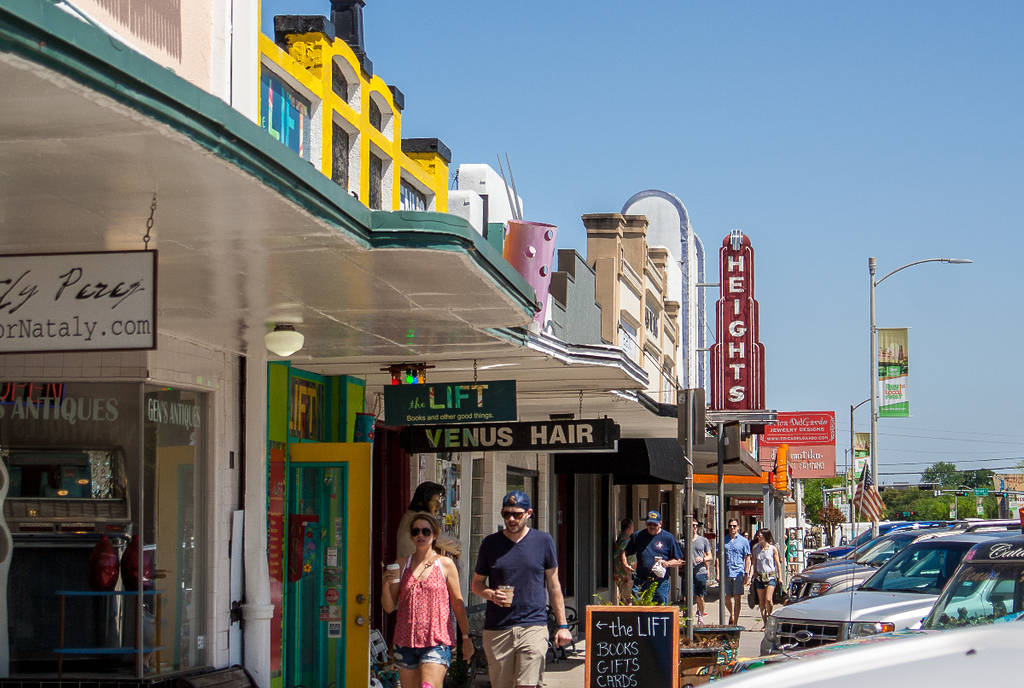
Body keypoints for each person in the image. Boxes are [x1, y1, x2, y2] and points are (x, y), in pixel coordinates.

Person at [471, 491, 572, 688]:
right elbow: (476, 584)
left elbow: (553, 585)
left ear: (529, 513)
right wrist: (490, 594)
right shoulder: (490, 544)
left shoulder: (543, 541)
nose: (511, 519)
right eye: (506, 514)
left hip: (532, 624)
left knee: (527, 684)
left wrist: (563, 626)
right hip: (498, 628)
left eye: (516, 514)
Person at [381, 512, 474, 688]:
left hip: (436, 640)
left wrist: (465, 637)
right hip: (405, 640)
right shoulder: (401, 564)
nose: (420, 536)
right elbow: (388, 607)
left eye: (426, 531)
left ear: (435, 535)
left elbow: (457, 603)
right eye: (416, 532)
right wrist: (385, 584)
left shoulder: (445, 564)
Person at [623, 510, 683, 604]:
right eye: (649, 524)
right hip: (641, 581)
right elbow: (625, 551)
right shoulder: (638, 536)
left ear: (660, 524)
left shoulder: (668, 538)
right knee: (640, 610)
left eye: (654, 524)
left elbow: (679, 561)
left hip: (660, 582)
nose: (652, 527)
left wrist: (667, 563)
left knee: (660, 609)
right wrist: (625, 564)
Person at [397, 481, 461, 560]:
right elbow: (446, 541)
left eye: (439, 501)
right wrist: (461, 549)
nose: (438, 506)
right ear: (422, 502)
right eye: (434, 501)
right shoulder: (422, 519)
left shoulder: (410, 514)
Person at [752, 528, 784, 627]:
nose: (758, 537)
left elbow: (778, 563)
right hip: (759, 576)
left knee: (768, 599)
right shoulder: (755, 548)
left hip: (770, 576)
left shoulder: (772, 548)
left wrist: (780, 577)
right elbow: (754, 562)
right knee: (761, 601)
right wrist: (751, 576)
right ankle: (765, 623)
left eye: (760, 535)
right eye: (758, 535)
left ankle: (770, 617)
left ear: (765, 536)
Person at [722, 519, 751, 626]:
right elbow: (718, 557)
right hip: (726, 572)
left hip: (738, 571)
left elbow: (747, 557)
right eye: (730, 526)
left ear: (738, 527)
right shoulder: (724, 540)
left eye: (734, 526)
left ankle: (735, 623)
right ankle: (732, 614)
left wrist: (746, 573)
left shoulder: (743, 541)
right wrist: (718, 572)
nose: (732, 528)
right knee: (726, 598)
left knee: (737, 597)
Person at [691, 521, 715, 625]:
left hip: (700, 571)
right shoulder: (684, 541)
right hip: (688, 571)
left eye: (696, 526)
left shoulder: (703, 540)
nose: (694, 528)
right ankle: (688, 616)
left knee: (699, 596)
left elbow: (710, 556)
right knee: (688, 595)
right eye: (692, 525)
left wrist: (702, 559)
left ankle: (700, 615)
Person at [612, 517, 636, 605]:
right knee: (627, 599)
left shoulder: (621, 537)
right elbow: (623, 553)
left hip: (621, 574)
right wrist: (626, 569)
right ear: (629, 527)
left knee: (625, 597)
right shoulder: (625, 539)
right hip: (624, 574)